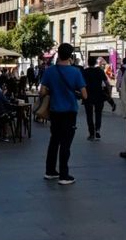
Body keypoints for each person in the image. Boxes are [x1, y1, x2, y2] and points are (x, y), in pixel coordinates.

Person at [39, 43, 87, 185]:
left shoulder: (50, 71)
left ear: (58, 54)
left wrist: (52, 92)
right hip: (69, 111)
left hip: (55, 110)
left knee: (54, 140)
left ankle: (50, 171)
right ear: (71, 56)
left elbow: (42, 92)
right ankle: (64, 175)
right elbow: (85, 95)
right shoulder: (75, 72)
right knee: (66, 143)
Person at [83, 55, 107, 141]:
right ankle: (97, 130)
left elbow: (81, 84)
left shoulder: (84, 72)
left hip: (88, 95)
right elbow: (106, 82)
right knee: (98, 114)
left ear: (88, 63)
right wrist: (109, 93)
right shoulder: (100, 71)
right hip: (99, 95)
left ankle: (91, 133)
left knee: (89, 115)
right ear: (96, 63)